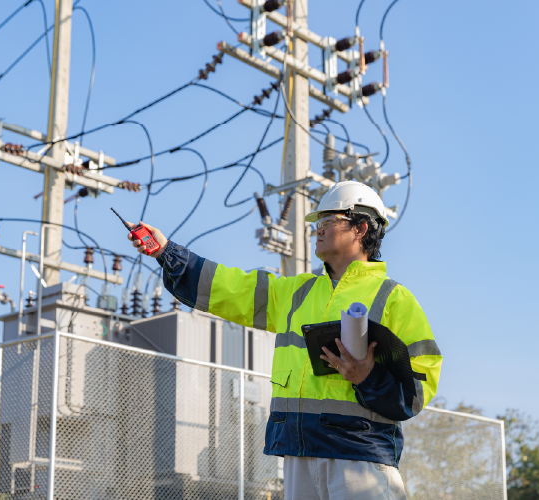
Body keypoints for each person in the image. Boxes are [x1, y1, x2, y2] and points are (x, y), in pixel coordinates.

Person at [126, 180, 442, 500]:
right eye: (317, 221)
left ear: (361, 228)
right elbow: (230, 288)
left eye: (328, 220)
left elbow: (420, 385)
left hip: (360, 457)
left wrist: (367, 377)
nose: (318, 228)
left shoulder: (394, 299)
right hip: (297, 455)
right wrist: (168, 253)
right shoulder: (295, 292)